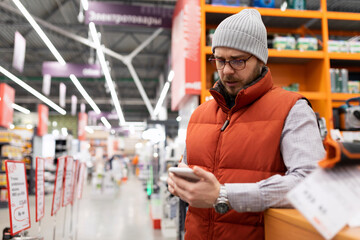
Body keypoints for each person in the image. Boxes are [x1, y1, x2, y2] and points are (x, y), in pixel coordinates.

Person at [167, 8, 326, 240]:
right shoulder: (200, 114)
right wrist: (180, 184)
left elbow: (312, 183)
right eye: (219, 60)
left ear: (260, 59)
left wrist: (224, 195)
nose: (227, 70)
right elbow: (190, 174)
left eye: (238, 61)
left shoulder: (293, 109)